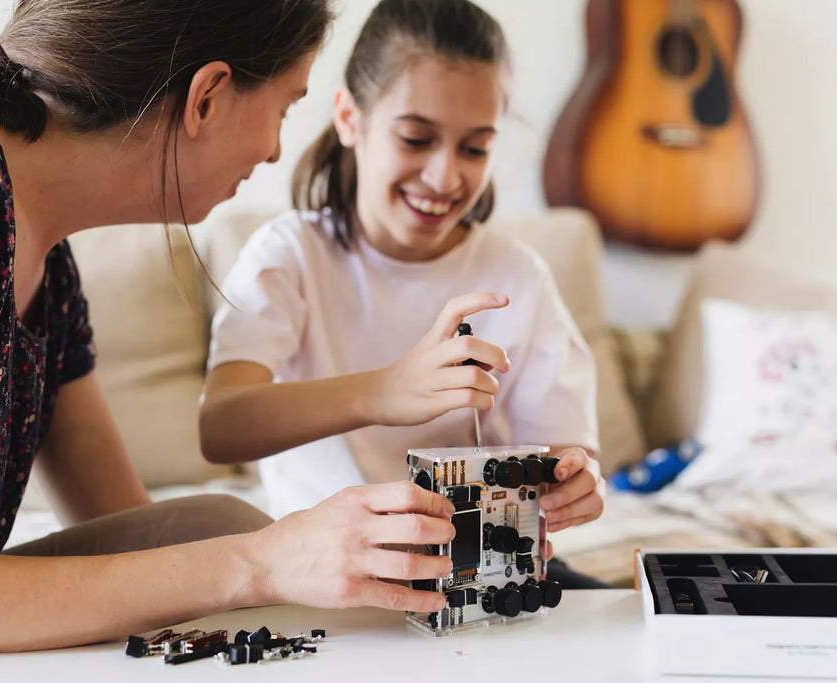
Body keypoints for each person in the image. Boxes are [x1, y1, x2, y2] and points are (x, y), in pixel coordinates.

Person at [0, 1, 463, 680]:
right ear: (208, 97)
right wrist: (265, 561)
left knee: (214, 524)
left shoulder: (45, 260)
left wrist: (335, 549)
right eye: (284, 107)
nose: (277, 149)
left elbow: (138, 543)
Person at [200, 0, 607, 570]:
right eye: (416, 138)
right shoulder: (288, 256)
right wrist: (386, 391)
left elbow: (565, 450)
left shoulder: (519, 276)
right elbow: (220, 427)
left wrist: (577, 480)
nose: (445, 176)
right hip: (329, 574)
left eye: (474, 148)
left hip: (476, 571)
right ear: (350, 118)